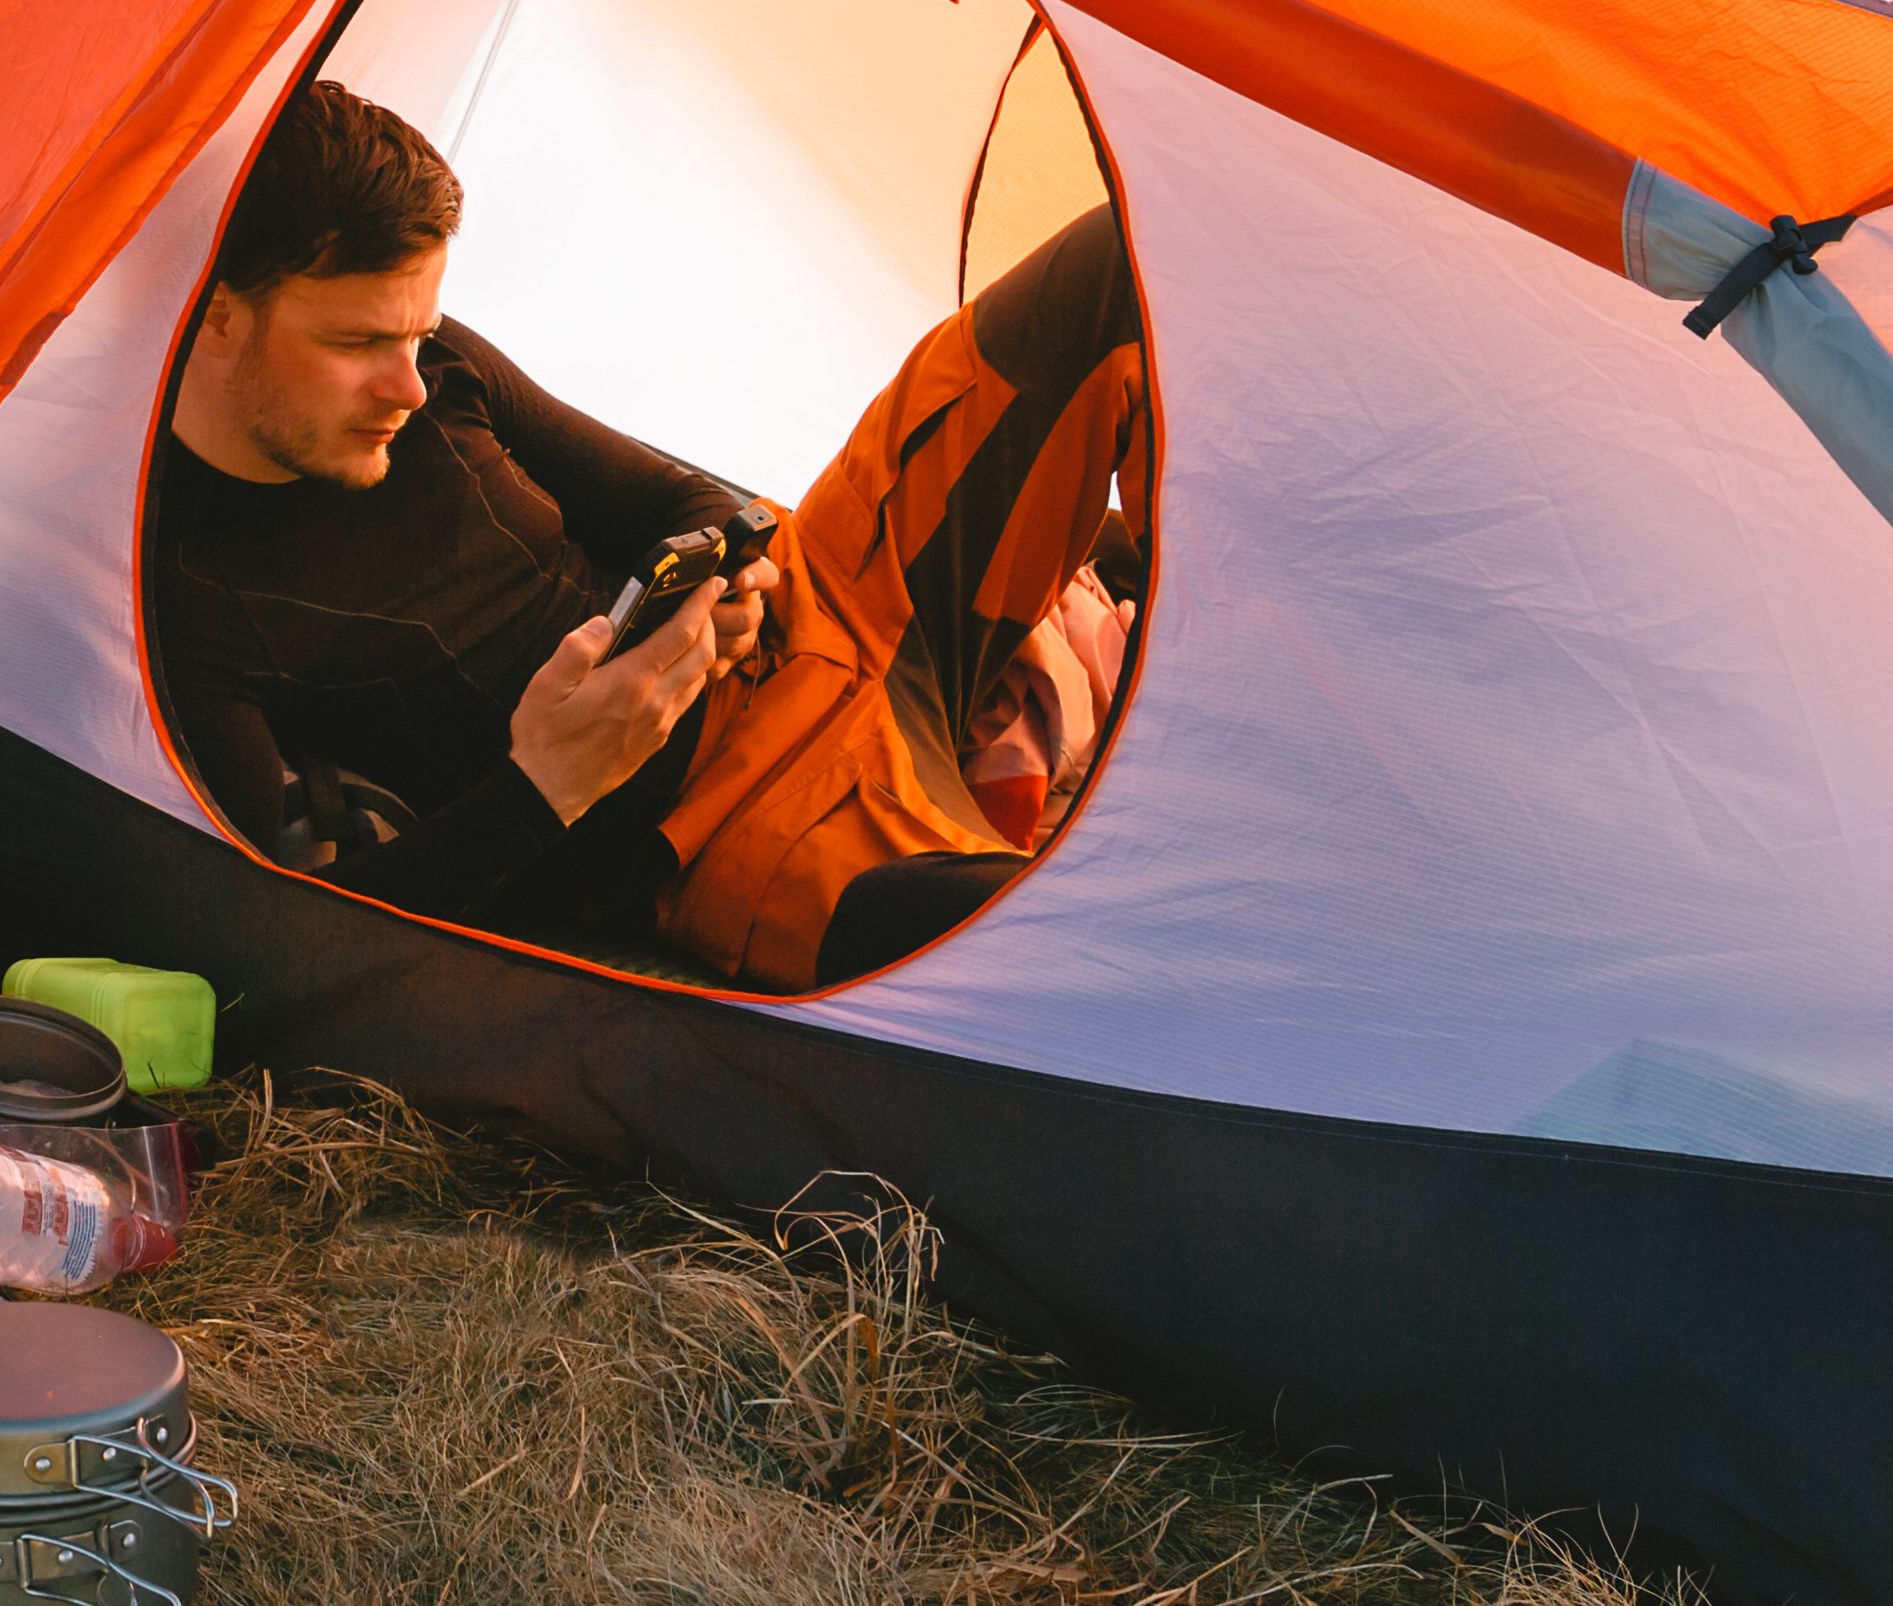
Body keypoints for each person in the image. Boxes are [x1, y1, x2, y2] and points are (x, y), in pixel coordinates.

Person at [144, 79, 1150, 986]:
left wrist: (729, 583)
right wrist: (547, 782)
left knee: (1133, 260)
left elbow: (681, 501)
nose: (407, 381)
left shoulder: (439, 370)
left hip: (839, 585)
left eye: (415, 331)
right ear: (218, 308)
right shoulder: (197, 603)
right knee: (1085, 944)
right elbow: (292, 945)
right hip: (749, 814)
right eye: (358, 342)